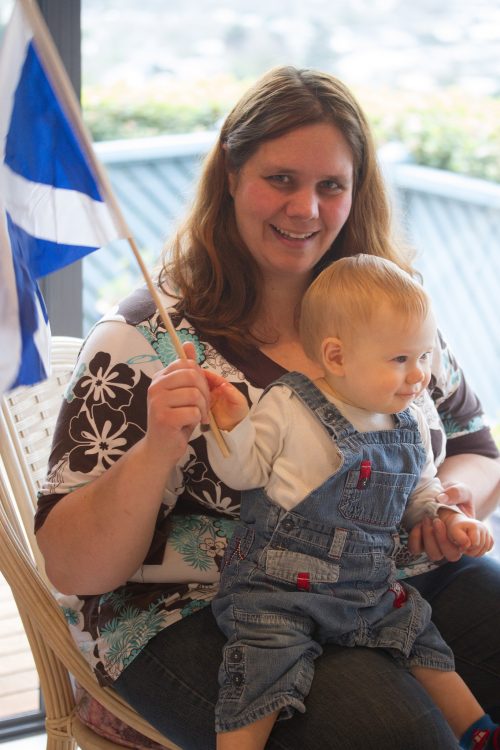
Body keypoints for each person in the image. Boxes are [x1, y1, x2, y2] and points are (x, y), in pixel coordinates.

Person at [34, 66, 500, 750]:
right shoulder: (143, 341)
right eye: (280, 179)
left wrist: (451, 507)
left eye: (330, 186)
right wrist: (157, 448)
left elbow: (475, 445)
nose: (305, 208)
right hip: (209, 612)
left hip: (390, 585)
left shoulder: (388, 308)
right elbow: (74, 568)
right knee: (395, 731)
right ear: (230, 175)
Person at [202, 254, 497, 750]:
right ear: (336, 357)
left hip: (367, 588)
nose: (419, 375)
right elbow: (243, 472)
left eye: (424, 356)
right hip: (276, 587)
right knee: (262, 667)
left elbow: (420, 489)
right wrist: (231, 427)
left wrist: (444, 514)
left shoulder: (407, 421)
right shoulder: (290, 404)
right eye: (400, 359)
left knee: (420, 636)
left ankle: (478, 731)